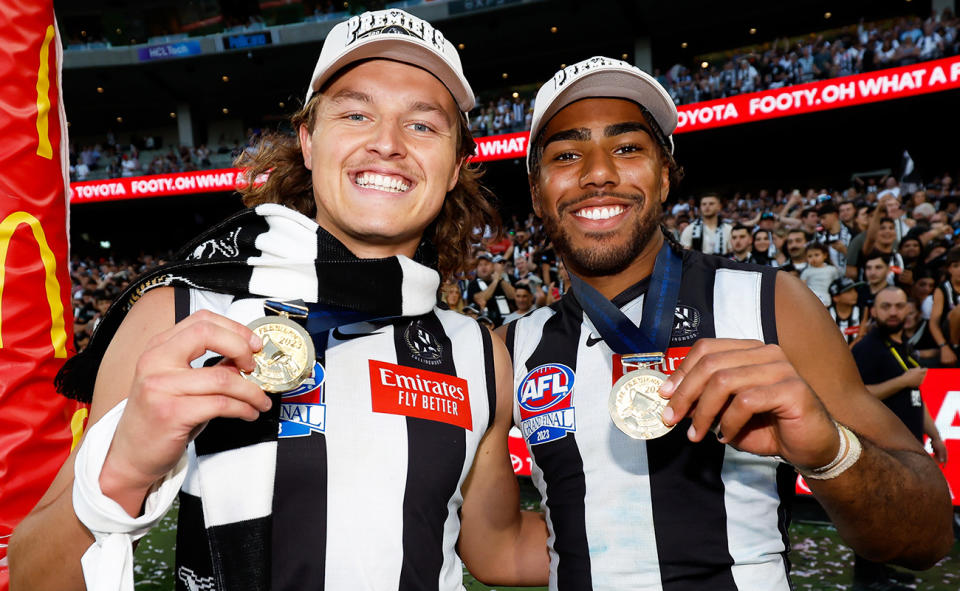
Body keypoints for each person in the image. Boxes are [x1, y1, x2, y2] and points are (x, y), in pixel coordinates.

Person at [10, 10, 549, 590]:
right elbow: (35, 572)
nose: (387, 144)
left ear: (454, 168)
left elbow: (499, 552)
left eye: (421, 125)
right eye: (355, 114)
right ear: (309, 143)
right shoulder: (181, 314)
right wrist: (119, 474)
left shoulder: (475, 352)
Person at [503, 55, 951, 590]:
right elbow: (500, 550)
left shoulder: (773, 300)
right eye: (567, 153)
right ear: (536, 191)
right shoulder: (510, 346)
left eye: (627, 148)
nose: (599, 172)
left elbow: (927, 536)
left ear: (665, 176)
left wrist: (829, 450)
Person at [850, 286, 948, 590]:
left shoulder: (905, 346)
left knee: (891, 514)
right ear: (875, 311)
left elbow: (915, 396)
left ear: (909, 310)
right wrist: (902, 380)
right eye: (886, 306)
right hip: (879, 444)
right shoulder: (867, 348)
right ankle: (866, 579)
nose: (893, 312)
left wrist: (936, 435)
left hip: (907, 444)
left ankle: (881, 571)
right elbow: (856, 395)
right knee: (874, 513)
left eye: (899, 306)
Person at [929, 246, 960, 367]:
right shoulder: (942, 289)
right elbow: (934, 322)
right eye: (955, 266)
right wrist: (943, 346)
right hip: (949, 335)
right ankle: (956, 346)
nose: (959, 270)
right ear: (949, 269)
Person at [468, 252, 516, 327]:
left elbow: (513, 296)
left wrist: (500, 279)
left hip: (508, 323)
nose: (483, 267)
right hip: (486, 326)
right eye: (480, 265)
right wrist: (495, 281)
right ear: (476, 269)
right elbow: (480, 299)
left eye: (486, 264)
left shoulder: (507, 279)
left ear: (493, 266)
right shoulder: (473, 284)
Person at [828, 277, 867, 347]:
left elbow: (861, 336)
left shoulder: (863, 311)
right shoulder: (826, 314)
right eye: (849, 292)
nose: (854, 294)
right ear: (836, 298)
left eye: (854, 290)